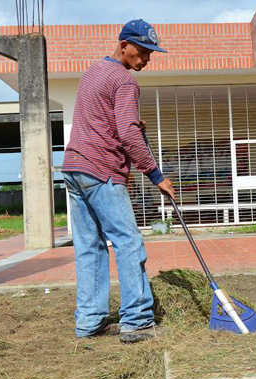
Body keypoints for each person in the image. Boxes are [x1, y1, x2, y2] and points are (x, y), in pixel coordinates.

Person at [62, 19, 175, 343]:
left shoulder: (94, 71)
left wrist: (128, 126)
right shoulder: (125, 81)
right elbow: (126, 133)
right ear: (123, 45)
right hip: (102, 171)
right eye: (142, 52)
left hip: (74, 168)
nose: (146, 60)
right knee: (128, 242)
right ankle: (138, 321)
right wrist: (155, 174)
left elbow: (104, 119)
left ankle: (89, 321)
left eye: (150, 54)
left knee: (89, 248)